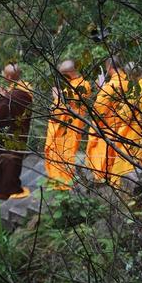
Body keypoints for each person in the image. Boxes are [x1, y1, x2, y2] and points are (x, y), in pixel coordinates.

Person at [0, 63, 33, 199]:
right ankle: (1, 188)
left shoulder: (19, 93)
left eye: (4, 73)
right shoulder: (21, 88)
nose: (2, 75)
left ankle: (9, 190)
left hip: (11, 134)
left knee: (9, 160)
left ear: (9, 77)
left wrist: (1, 97)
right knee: (3, 159)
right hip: (11, 132)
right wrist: (4, 96)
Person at [44, 60, 91, 190]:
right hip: (60, 127)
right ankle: (56, 182)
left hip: (70, 128)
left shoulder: (82, 86)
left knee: (65, 154)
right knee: (55, 153)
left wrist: (57, 97)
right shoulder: (70, 85)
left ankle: (64, 184)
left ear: (69, 73)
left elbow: (63, 107)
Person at [85, 55, 130, 182]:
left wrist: (102, 91)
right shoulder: (130, 83)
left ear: (109, 68)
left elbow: (99, 110)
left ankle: (103, 177)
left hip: (110, 127)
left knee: (104, 156)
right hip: (126, 127)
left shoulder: (110, 87)